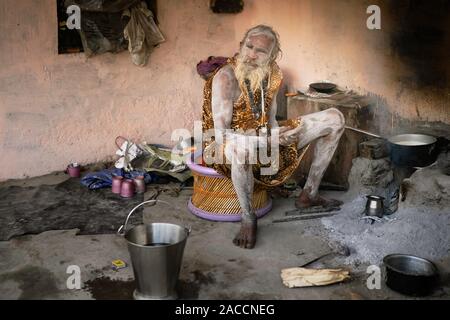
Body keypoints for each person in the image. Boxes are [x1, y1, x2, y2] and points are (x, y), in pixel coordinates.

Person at [201, 25, 345, 249]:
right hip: (228, 146)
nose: (251, 55)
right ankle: (248, 217)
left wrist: (280, 134)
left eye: (261, 51)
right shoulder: (225, 77)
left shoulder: (273, 74)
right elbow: (221, 137)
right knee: (240, 149)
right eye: (249, 47)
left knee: (335, 118)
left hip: (266, 139)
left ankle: (309, 194)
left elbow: (270, 120)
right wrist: (269, 141)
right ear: (240, 46)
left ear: (272, 56)